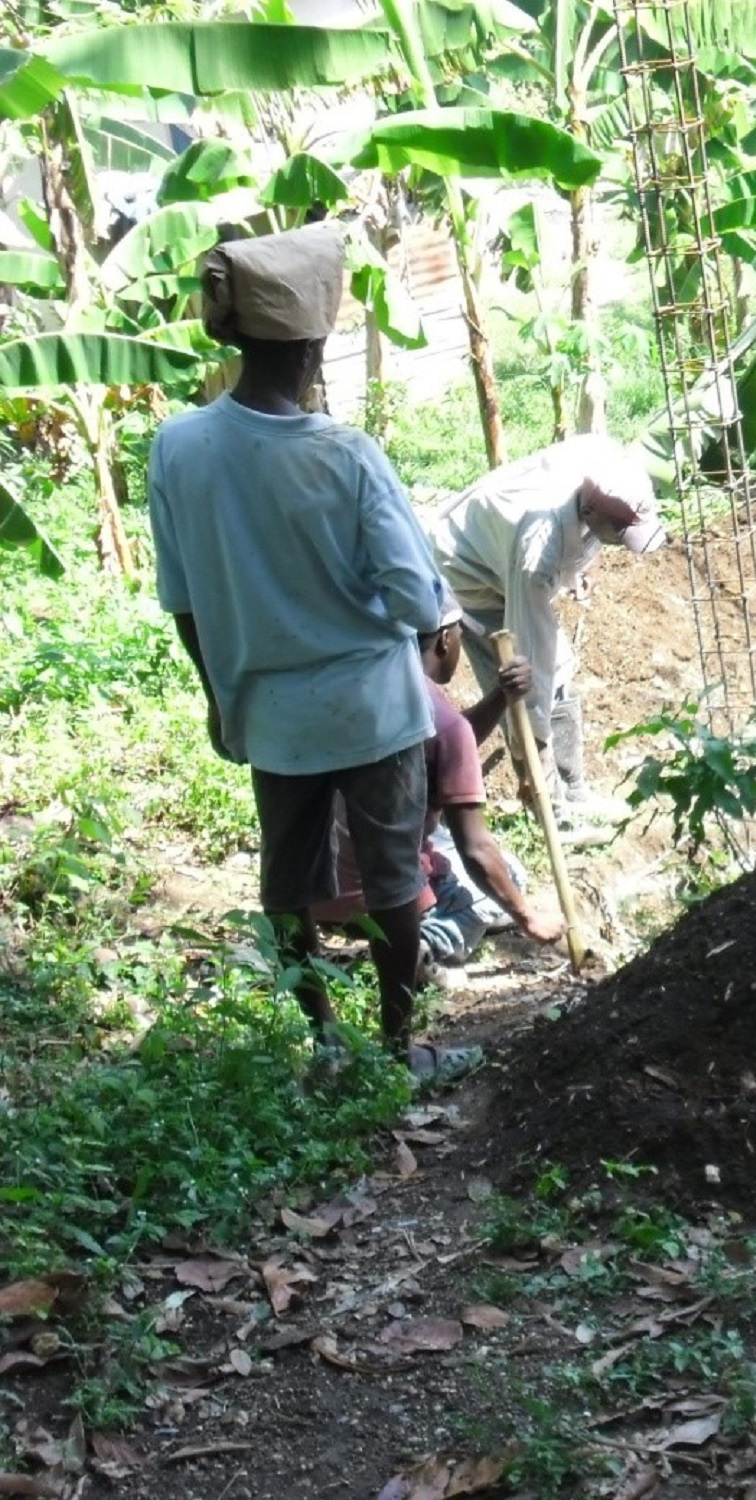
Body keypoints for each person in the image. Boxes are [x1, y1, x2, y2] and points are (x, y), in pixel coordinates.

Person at [148, 222, 475, 1082]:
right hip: (374, 709)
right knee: (394, 879)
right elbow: (413, 596)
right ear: (312, 345)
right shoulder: (344, 454)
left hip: (272, 713)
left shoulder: (177, 449)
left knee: (286, 883)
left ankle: (325, 1042)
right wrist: (438, 633)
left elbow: (183, 600)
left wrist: (220, 695)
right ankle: (398, 1050)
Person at [310, 589, 566, 968]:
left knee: (456, 852)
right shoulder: (444, 724)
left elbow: (443, 744)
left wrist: (499, 697)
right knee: (503, 877)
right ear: (446, 639)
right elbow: (476, 849)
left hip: (319, 887)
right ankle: (421, 945)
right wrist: (528, 917)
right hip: (383, 898)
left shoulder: (362, 685)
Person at [425, 434, 665, 824]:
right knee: (520, 683)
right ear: (589, 511)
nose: (621, 544)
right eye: (618, 535)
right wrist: (533, 739)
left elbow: (600, 530)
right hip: (466, 570)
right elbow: (528, 654)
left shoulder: (605, 463)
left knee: (559, 670)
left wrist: (586, 565)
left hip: (503, 542)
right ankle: (547, 805)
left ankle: (575, 791)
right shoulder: (539, 549)